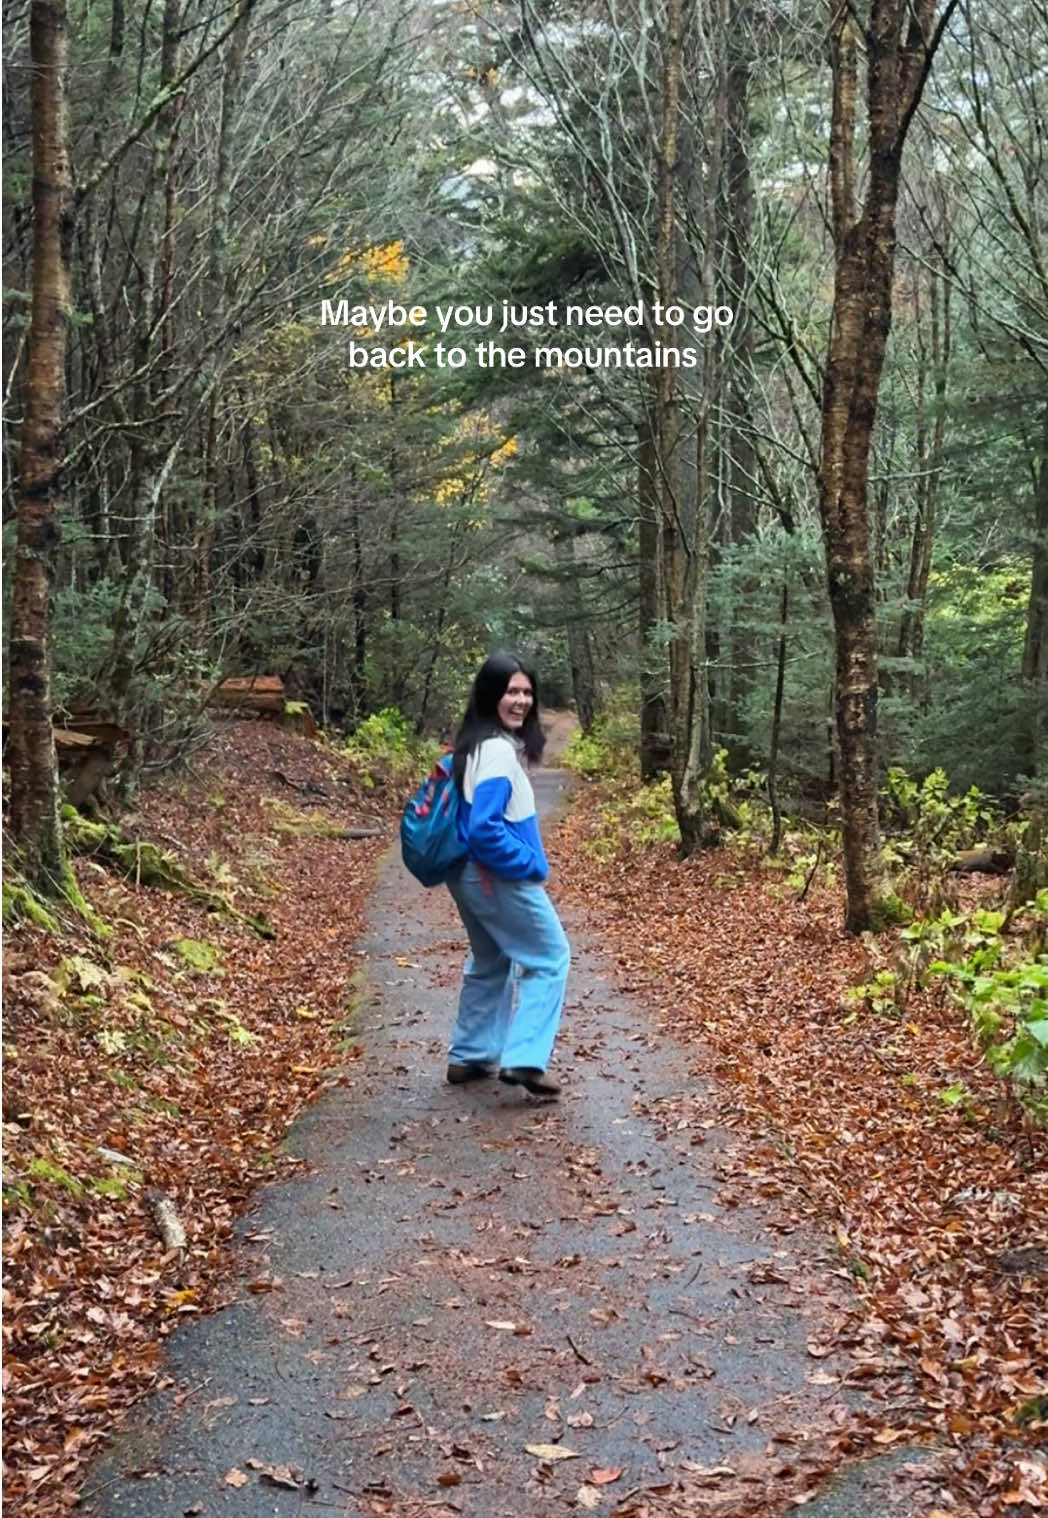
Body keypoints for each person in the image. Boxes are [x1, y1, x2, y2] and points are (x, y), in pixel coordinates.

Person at [444, 651, 570, 1099]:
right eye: (511, 691)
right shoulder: (497, 750)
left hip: (467, 874)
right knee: (551, 956)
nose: (521, 701)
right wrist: (530, 864)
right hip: (493, 874)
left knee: (491, 960)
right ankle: (525, 1059)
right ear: (490, 695)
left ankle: (470, 1055)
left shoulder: (477, 744)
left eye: (527, 692)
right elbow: (485, 829)